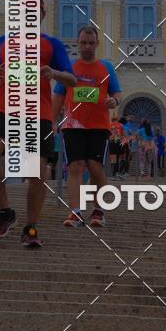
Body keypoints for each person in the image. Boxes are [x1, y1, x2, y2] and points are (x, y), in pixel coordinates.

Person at [0, 0, 76, 246]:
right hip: (4, 110)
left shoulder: (51, 44)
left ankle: (30, 227)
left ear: (42, 14)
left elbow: (72, 80)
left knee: (37, 172)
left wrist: (53, 73)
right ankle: (5, 211)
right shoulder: (4, 41)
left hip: (37, 114)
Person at [52, 25, 121, 228]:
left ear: (97, 44)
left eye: (91, 43)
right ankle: (75, 212)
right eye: (83, 43)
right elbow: (59, 95)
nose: (87, 46)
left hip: (99, 125)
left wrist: (114, 102)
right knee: (75, 166)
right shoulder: (69, 67)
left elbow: (116, 93)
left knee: (95, 167)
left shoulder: (106, 68)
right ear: (77, 43)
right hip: (73, 125)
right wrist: (53, 121)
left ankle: (98, 210)